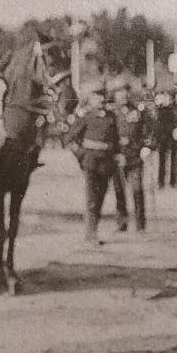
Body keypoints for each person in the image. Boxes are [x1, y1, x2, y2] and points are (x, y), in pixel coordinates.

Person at [64, 82, 122, 244]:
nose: (101, 99)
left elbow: (115, 140)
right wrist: (81, 156)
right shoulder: (86, 116)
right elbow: (70, 139)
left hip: (107, 163)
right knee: (91, 198)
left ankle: (93, 230)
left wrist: (118, 155)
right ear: (90, 99)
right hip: (90, 162)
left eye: (102, 96)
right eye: (97, 96)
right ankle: (91, 234)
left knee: (101, 197)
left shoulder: (111, 117)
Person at [112, 83, 154, 232]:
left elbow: (149, 131)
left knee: (137, 190)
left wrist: (147, 147)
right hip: (117, 157)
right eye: (119, 94)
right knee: (119, 191)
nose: (122, 97)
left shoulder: (138, 112)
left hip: (135, 156)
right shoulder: (112, 113)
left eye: (124, 93)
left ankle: (140, 224)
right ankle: (122, 222)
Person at [154, 89, 177, 188]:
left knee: (173, 159)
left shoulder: (175, 109)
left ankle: (172, 181)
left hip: (173, 136)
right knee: (162, 160)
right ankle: (161, 181)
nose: (168, 100)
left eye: (169, 98)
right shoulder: (161, 109)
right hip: (164, 137)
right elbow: (158, 124)